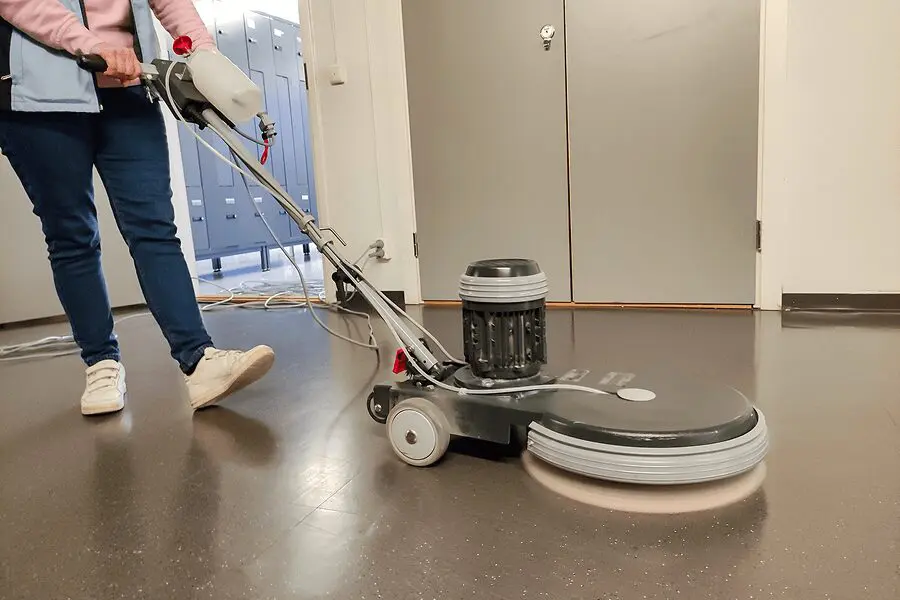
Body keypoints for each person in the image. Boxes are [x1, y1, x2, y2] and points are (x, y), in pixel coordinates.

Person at [0, 0, 275, 416]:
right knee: (71, 235)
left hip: (130, 92)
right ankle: (101, 362)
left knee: (155, 230)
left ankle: (199, 361)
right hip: (41, 103)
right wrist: (91, 44)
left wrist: (203, 54)